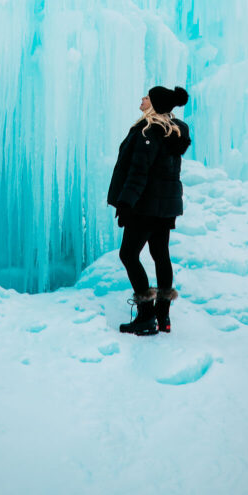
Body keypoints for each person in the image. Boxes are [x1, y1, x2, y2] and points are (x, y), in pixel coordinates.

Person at [107, 85, 191, 336]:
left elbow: (138, 172)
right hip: (165, 206)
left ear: (154, 104)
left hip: (145, 206)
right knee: (160, 254)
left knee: (128, 254)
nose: (142, 98)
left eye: (147, 96)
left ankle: (145, 315)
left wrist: (125, 203)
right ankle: (162, 316)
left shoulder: (148, 132)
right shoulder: (172, 131)